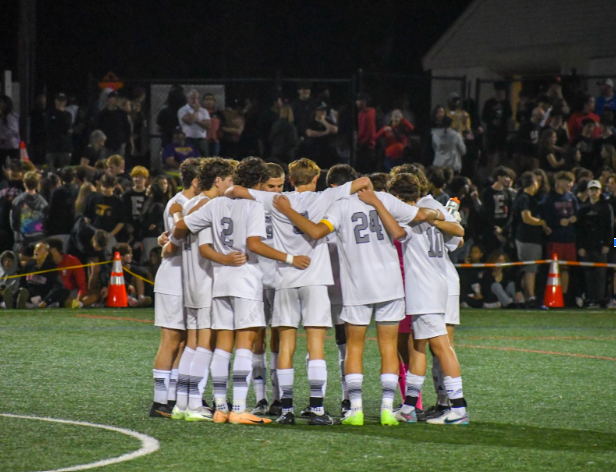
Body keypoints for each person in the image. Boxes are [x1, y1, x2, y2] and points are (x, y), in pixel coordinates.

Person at [273, 165, 442, 426]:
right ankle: (387, 409)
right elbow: (420, 215)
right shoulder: (384, 198)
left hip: (356, 287)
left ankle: (356, 409)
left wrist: (288, 211)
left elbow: (316, 232)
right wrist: (438, 212)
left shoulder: (340, 207)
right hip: (390, 285)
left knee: (354, 347)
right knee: (388, 348)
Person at [224, 158, 372, 425]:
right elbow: (363, 182)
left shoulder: (276, 199)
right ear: (316, 178)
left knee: (286, 346)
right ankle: (316, 409)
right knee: (316, 345)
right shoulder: (326, 196)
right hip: (315, 278)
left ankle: (286, 409)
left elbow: (233, 191)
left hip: (284, 278)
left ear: (290, 180)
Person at [171, 157, 310, 425]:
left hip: (220, 282)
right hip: (245, 281)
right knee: (245, 346)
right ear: (258, 182)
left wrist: (174, 229)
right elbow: (254, 245)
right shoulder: (254, 206)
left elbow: (181, 226)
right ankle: (238, 408)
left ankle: (221, 406)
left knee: (223, 347)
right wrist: (290, 258)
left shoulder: (215, 204)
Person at [365, 172, 468, 425]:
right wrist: (437, 218)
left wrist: (377, 203)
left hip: (425, 287)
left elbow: (398, 234)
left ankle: (458, 408)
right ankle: (409, 407)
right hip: (435, 282)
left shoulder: (408, 213)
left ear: (396, 195)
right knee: (419, 347)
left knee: (441, 347)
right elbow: (458, 233)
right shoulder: (433, 206)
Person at [166, 157, 238, 422]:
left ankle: (182, 404)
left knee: (193, 345)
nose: (233, 186)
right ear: (218, 181)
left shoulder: (190, 203)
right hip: (206, 281)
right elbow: (206, 246)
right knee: (204, 346)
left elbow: (175, 236)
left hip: (190, 282)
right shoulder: (209, 205)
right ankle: (195, 404)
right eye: (230, 180)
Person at [149, 158, 201, 418]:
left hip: (186, 278)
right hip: (173, 279)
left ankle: (174, 399)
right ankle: (160, 402)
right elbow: (174, 242)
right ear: (195, 181)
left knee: (183, 342)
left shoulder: (188, 203)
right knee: (170, 341)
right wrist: (165, 245)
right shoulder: (177, 204)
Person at [251, 163, 286, 416]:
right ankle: (260, 398)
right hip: (253, 275)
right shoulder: (251, 203)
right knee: (255, 335)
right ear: (261, 184)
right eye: (270, 186)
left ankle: (276, 397)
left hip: (281, 276)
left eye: (280, 186)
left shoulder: (288, 204)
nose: (275, 191)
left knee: (278, 335)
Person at [511, 172, 551, 308]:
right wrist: (542, 222)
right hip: (527, 238)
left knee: (528, 268)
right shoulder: (524, 199)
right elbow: (526, 218)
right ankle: (531, 297)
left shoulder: (528, 198)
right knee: (530, 269)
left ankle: (527, 296)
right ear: (534, 183)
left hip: (531, 238)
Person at [541, 171, 578, 304]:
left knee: (566, 268)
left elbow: (578, 213)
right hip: (555, 238)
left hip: (569, 238)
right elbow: (544, 217)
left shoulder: (571, 197)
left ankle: (565, 296)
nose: (569, 184)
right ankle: (552, 295)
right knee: (553, 267)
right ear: (558, 182)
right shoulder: (549, 198)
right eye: (566, 181)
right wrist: (557, 223)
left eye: (571, 181)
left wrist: (575, 218)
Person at [576, 180, 614, 308]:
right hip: (587, 246)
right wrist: (580, 246)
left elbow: (610, 227)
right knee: (588, 274)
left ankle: (600, 299)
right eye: (591, 190)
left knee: (600, 274)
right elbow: (579, 229)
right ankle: (590, 298)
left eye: (596, 190)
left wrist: (608, 244)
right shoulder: (583, 208)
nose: (593, 192)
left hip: (601, 245)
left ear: (600, 191)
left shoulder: (606, 207)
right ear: (588, 191)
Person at [14, 241, 68, 309]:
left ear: (46, 253)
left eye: (39, 249)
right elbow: (22, 282)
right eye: (35, 249)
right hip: (30, 298)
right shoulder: (29, 265)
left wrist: (46, 301)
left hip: (44, 299)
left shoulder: (51, 267)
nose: (36, 251)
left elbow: (57, 286)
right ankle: (13, 302)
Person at [480, 166, 515, 254]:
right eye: (506, 177)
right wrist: (494, 229)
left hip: (504, 230)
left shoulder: (508, 193)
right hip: (490, 231)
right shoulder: (487, 192)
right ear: (499, 177)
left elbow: (511, 213)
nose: (508, 180)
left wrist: (503, 229)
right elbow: (485, 213)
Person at [83, 173, 125, 248]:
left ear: (114, 187)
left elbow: (121, 222)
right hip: (95, 234)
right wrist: (91, 232)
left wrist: (111, 234)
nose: (105, 189)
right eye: (103, 186)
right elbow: (87, 217)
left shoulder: (118, 202)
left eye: (108, 187)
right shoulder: (93, 198)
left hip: (110, 235)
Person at [10, 171, 47, 251]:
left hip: (22, 241)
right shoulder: (43, 202)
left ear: (25, 184)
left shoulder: (18, 201)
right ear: (37, 184)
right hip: (39, 239)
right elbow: (46, 220)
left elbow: (13, 222)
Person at [46, 238, 87, 308]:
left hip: (69, 292)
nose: (46, 253)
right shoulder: (46, 263)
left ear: (56, 251)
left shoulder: (72, 261)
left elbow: (82, 284)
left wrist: (77, 300)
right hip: (51, 293)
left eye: (48, 251)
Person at [45, 168, 78, 247]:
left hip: (58, 227)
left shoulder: (56, 192)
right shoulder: (78, 190)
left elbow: (51, 211)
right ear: (74, 178)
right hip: (73, 226)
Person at [481, 82, 512, 166]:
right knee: (490, 153)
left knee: (502, 153)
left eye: (501, 92)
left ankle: (501, 167)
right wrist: (491, 121)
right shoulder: (489, 103)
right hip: (492, 132)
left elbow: (509, 114)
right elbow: (484, 116)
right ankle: (490, 169)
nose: (499, 93)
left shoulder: (506, 103)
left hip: (502, 131)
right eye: (498, 92)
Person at [96, 91, 131, 158]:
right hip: (106, 143)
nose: (115, 100)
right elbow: (98, 127)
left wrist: (125, 141)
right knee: (105, 163)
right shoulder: (103, 114)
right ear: (109, 100)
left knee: (118, 163)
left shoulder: (122, 113)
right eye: (114, 98)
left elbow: (127, 128)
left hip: (119, 142)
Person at [304, 103, 338, 169]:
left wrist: (323, 121)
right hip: (314, 151)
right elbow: (310, 133)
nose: (323, 112)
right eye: (321, 110)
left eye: (324, 111)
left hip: (327, 151)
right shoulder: (311, 121)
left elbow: (334, 130)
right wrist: (324, 133)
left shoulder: (328, 121)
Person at [0, 162, 24, 252]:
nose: (14, 173)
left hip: (18, 228)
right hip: (3, 226)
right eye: (12, 170)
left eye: (16, 170)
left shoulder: (24, 186)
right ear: (7, 171)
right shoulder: (2, 184)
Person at [178, 89, 210, 157]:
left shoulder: (204, 111)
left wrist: (196, 120)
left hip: (201, 140)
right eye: (192, 98)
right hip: (188, 139)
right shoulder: (182, 110)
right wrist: (195, 111)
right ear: (188, 99)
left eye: (196, 98)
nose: (194, 100)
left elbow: (208, 125)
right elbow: (189, 121)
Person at [122, 166, 149, 248]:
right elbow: (123, 212)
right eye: (136, 177)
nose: (138, 179)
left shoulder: (149, 195)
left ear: (145, 179)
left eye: (141, 177)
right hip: (130, 229)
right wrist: (127, 225)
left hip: (144, 230)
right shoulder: (127, 195)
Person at [45, 93, 73, 169]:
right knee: (50, 169)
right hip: (52, 147)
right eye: (59, 101)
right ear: (55, 101)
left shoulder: (68, 114)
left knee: (64, 170)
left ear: (65, 102)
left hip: (64, 147)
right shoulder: (50, 113)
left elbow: (68, 129)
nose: (61, 103)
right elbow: (49, 128)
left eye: (63, 101)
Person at [513, 107, 544, 172]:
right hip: (524, 154)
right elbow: (517, 139)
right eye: (540, 117)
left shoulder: (539, 127)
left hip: (534, 155)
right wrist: (531, 143)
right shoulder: (525, 126)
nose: (541, 119)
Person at [0, 94, 20, 160]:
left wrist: (3, 137)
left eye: (1, 102)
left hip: (11, 145)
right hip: (4, 145)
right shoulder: (3, 116)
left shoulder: (10, 116)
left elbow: (14, 130)